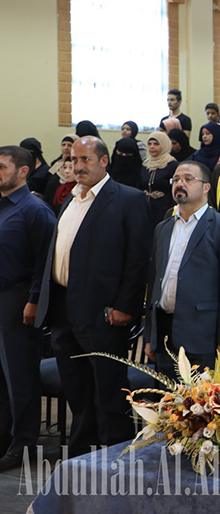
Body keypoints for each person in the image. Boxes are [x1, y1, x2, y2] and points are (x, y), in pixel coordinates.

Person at [35, 136, 151, 457]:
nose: (78, 166)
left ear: (103, 161)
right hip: (64, 309)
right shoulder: (70, 199)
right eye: (74, 160)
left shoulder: (128, 198)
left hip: (104, 313)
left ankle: (115, 456)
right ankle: (82, 455)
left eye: (85, 159)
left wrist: (126, 306)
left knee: (108, 392)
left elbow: (138, 259)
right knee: (77, 390)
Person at [145, 160, 220, 373]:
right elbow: (154, 282)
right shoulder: (163, 228)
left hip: (202, 336)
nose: (180, 184)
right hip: (164, 333)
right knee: (164, 393)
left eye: (188, 179)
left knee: (199, 395)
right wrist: (149, 336)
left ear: (206, 187)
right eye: (176, 179)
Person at [0, 146, 56, 470]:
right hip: (2, 296)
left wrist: (34, 300)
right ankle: (4, 437)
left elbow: (44, 262)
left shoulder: (35, 209)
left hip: (19, 298)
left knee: (19, 375)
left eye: (2, 167)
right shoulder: (3, 206)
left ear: (23, 171)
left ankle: (23, 443)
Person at [140, 131, 177, 226]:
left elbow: (175, 189)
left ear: (164, 145)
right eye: (149, 144)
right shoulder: (145, 165)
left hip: (164, 211)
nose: (152, 147)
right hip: (144, 209)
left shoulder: (172, 165)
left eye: (156, 144)